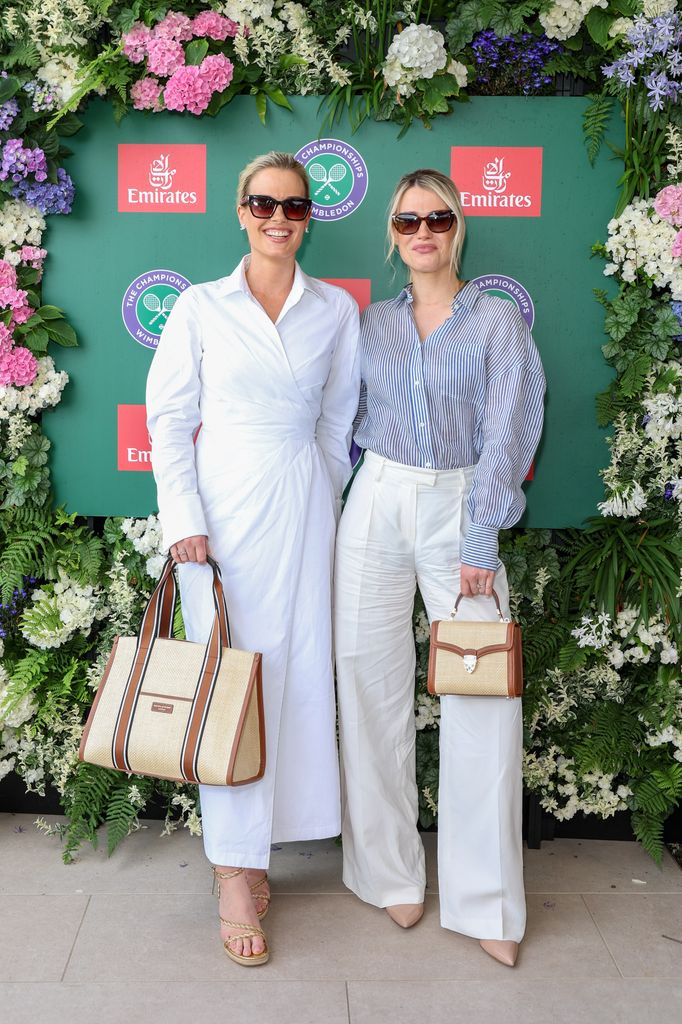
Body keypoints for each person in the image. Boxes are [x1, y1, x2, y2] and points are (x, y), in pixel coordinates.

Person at [146, 151, 360, 967]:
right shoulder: (201, 308)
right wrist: (185, 523)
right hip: (220, 521)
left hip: (304, 513)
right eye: (265, 203)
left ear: (309, 218)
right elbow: (169, 424)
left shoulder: (334, 311)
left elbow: (337, 426)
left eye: (295, 207)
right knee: (228, 688)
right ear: (240, 211)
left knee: (294, 681)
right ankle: (234, 873)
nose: (279, 217)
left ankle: (266, 846)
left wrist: (322, 504)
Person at [334, 168, 545, 967]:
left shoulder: (496, 323)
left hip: (462, 504)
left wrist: (482, 533)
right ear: (392, 234)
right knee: (366, 679)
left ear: (459, 227)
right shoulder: (370, 325)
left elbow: (512, 427)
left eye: (438, 217)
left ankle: (486, 900)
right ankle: (390, 873)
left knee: (483, 690)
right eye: (407, 220)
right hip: (377, 497)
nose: (423, 231)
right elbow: (343, 418)